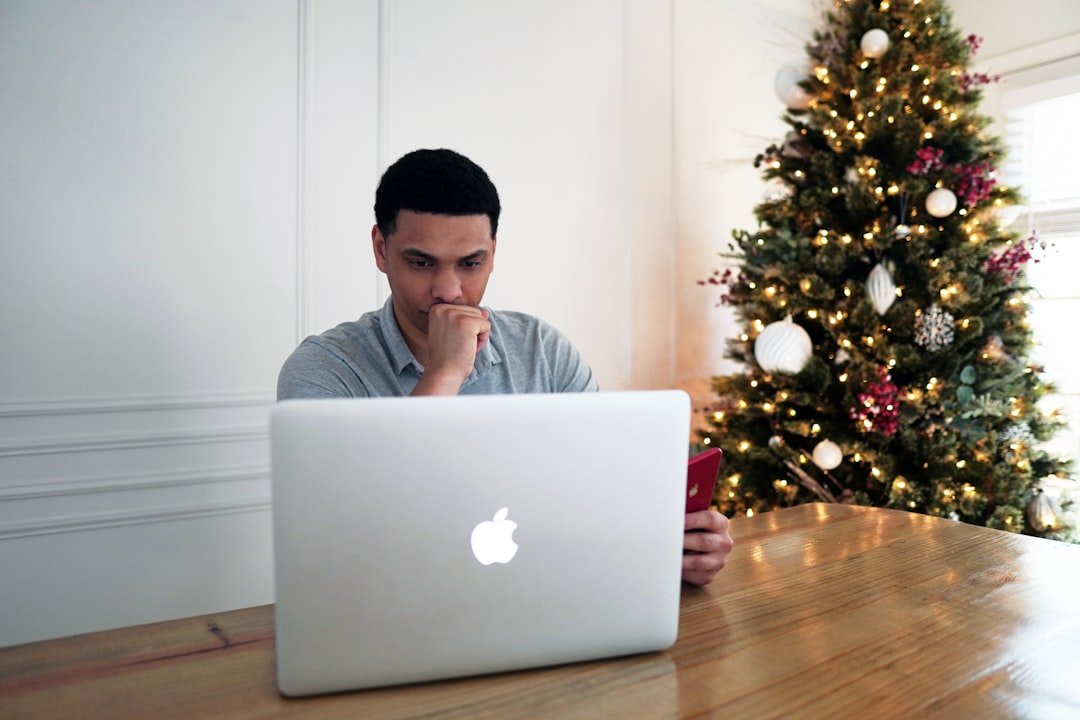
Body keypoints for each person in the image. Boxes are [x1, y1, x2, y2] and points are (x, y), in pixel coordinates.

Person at [278, 148, 732, 585]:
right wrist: (445, 373)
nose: (449, 290)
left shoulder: (543, 350)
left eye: (470, 263)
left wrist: (673, 548)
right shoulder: (322, 369)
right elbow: (339, 541)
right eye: (420, 262)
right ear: (381, 249)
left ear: (493, 252)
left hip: (540, 593)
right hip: (391, 613)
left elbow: (603, 497)